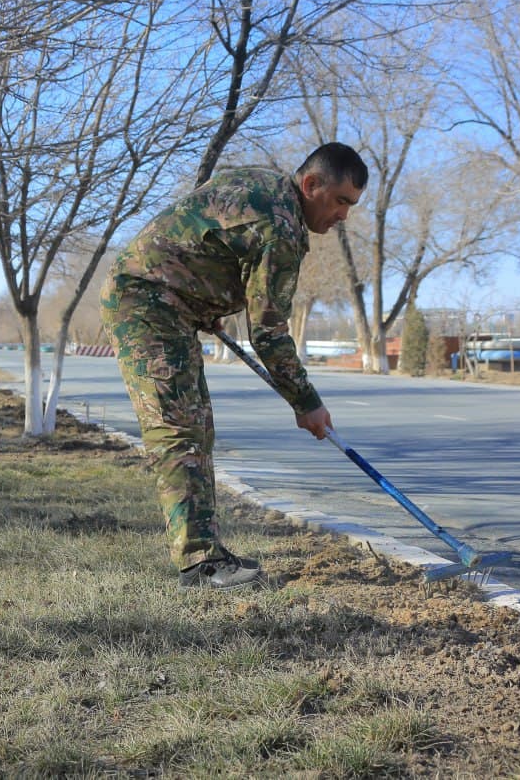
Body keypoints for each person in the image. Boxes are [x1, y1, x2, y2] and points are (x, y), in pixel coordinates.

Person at [98, 142, 368, 590]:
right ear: (311, 184)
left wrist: (203, 292)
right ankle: (199, 565)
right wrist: (306, 402)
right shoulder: (281, 227)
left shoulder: (262, 183)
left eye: (351, 206)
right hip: (146, 302)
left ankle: (207, 553)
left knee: (197, 427)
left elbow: (205, 232)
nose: (343, 216)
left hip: (161, 298)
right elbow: (268, 332)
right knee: (179, 430)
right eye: (340, 202)